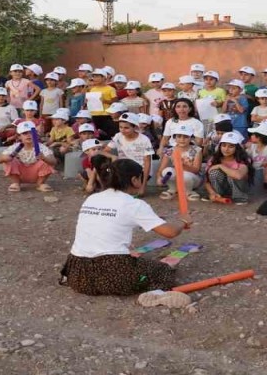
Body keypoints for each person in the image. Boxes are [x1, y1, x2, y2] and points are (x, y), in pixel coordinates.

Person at [59, 158, 191, 296]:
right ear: (135, 180)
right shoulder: (134, 204)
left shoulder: (92, 198)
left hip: (78, 274)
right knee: (163, 270)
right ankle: (153, 294)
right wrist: (183, 221)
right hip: (113, 275)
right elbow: (170, 232)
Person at [0, 121, 57, 192]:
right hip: (20, 174)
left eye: (31, 133)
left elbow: (54, 161)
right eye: (25, 133)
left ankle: (40, 184)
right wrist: (6, 158)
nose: (28, 135)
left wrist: (44, 158)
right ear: (19, 136)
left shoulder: (41, 147)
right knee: (9, 160)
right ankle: (16, 183)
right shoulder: (15, 147)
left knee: (47, 161)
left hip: (37, 174)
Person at [205, 132, 252, 205]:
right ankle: (219, 195)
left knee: (232, 174)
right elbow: (207, 181)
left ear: (237, 148)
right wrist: (212, 193)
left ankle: (240, 197)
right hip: (222, 189)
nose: (226, 149)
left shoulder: (243, 159)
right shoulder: (214, 159)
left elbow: (238, 176)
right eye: (223, 145)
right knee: (214, 172)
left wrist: (220, 166)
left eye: (231, 146)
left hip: (240, 188)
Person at [157, 127, 203, 200]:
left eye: (186, 137)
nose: (182, 139)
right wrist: (159, 177)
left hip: (193, 179)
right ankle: (173, 189)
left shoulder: (197, 150)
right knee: (167, 171)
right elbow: (162, 168)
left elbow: (196, 170)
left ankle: (189, 191)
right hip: (178, 177)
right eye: (179, 136)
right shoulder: (170, 150)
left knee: (185, 175)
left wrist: (182, 165)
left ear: (191, 138)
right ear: (175, 138)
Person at [109, 113, 155, 185]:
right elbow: (105, 150)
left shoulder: (145, 139)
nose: (122, 130)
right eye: (120, 127)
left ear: (135, 127)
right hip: (124, 168)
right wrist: (112, 156)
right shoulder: (118, 136)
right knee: (99, 159)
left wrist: (143, 186)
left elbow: (147, 162)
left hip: (140, 171)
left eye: (126, 128)